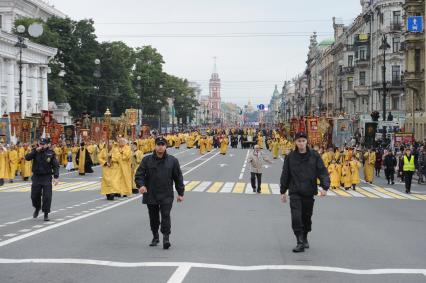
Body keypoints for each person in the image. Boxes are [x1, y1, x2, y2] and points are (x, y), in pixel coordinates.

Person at [280, 132, 330, 253]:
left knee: (306, 217)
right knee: (296, 217)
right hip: (295, 192)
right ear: (295, 142)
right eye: (299, 141)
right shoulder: (290, 157)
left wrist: (325, 187)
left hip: (309, 191)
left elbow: (322, 171)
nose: (301, 143)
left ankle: (305, 236)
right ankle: (299, 241)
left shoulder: (314, 155)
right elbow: (285, 174)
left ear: (306, 142)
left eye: (303, 141)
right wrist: (283, 191)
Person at [135, 136, 185, 250]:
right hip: (151, 193)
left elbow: (178, 178)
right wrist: (141, 185)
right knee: (153, 218)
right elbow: (139, 175)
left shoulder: (172, 161)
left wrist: (180, 193)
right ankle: (155, 236)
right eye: (158, 144)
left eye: (162, 145)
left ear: (166, 146)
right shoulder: (146, 160)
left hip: (166, 194)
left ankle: (166, 238)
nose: (160, 147)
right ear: (155, 146)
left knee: (166, 216)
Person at [25, 139, 59, 221]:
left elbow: (55, 165)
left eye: (43, 144)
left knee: (47, 196)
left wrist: (56, 177)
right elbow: (27, 158)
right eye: (40, 144)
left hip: (46, 177)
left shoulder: (51, 153)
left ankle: (46, 214)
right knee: (34, 196)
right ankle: (37, 208)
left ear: (48, 145)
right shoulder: (35, 151)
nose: (41, 145)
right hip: (36, 177)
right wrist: (35, 151)